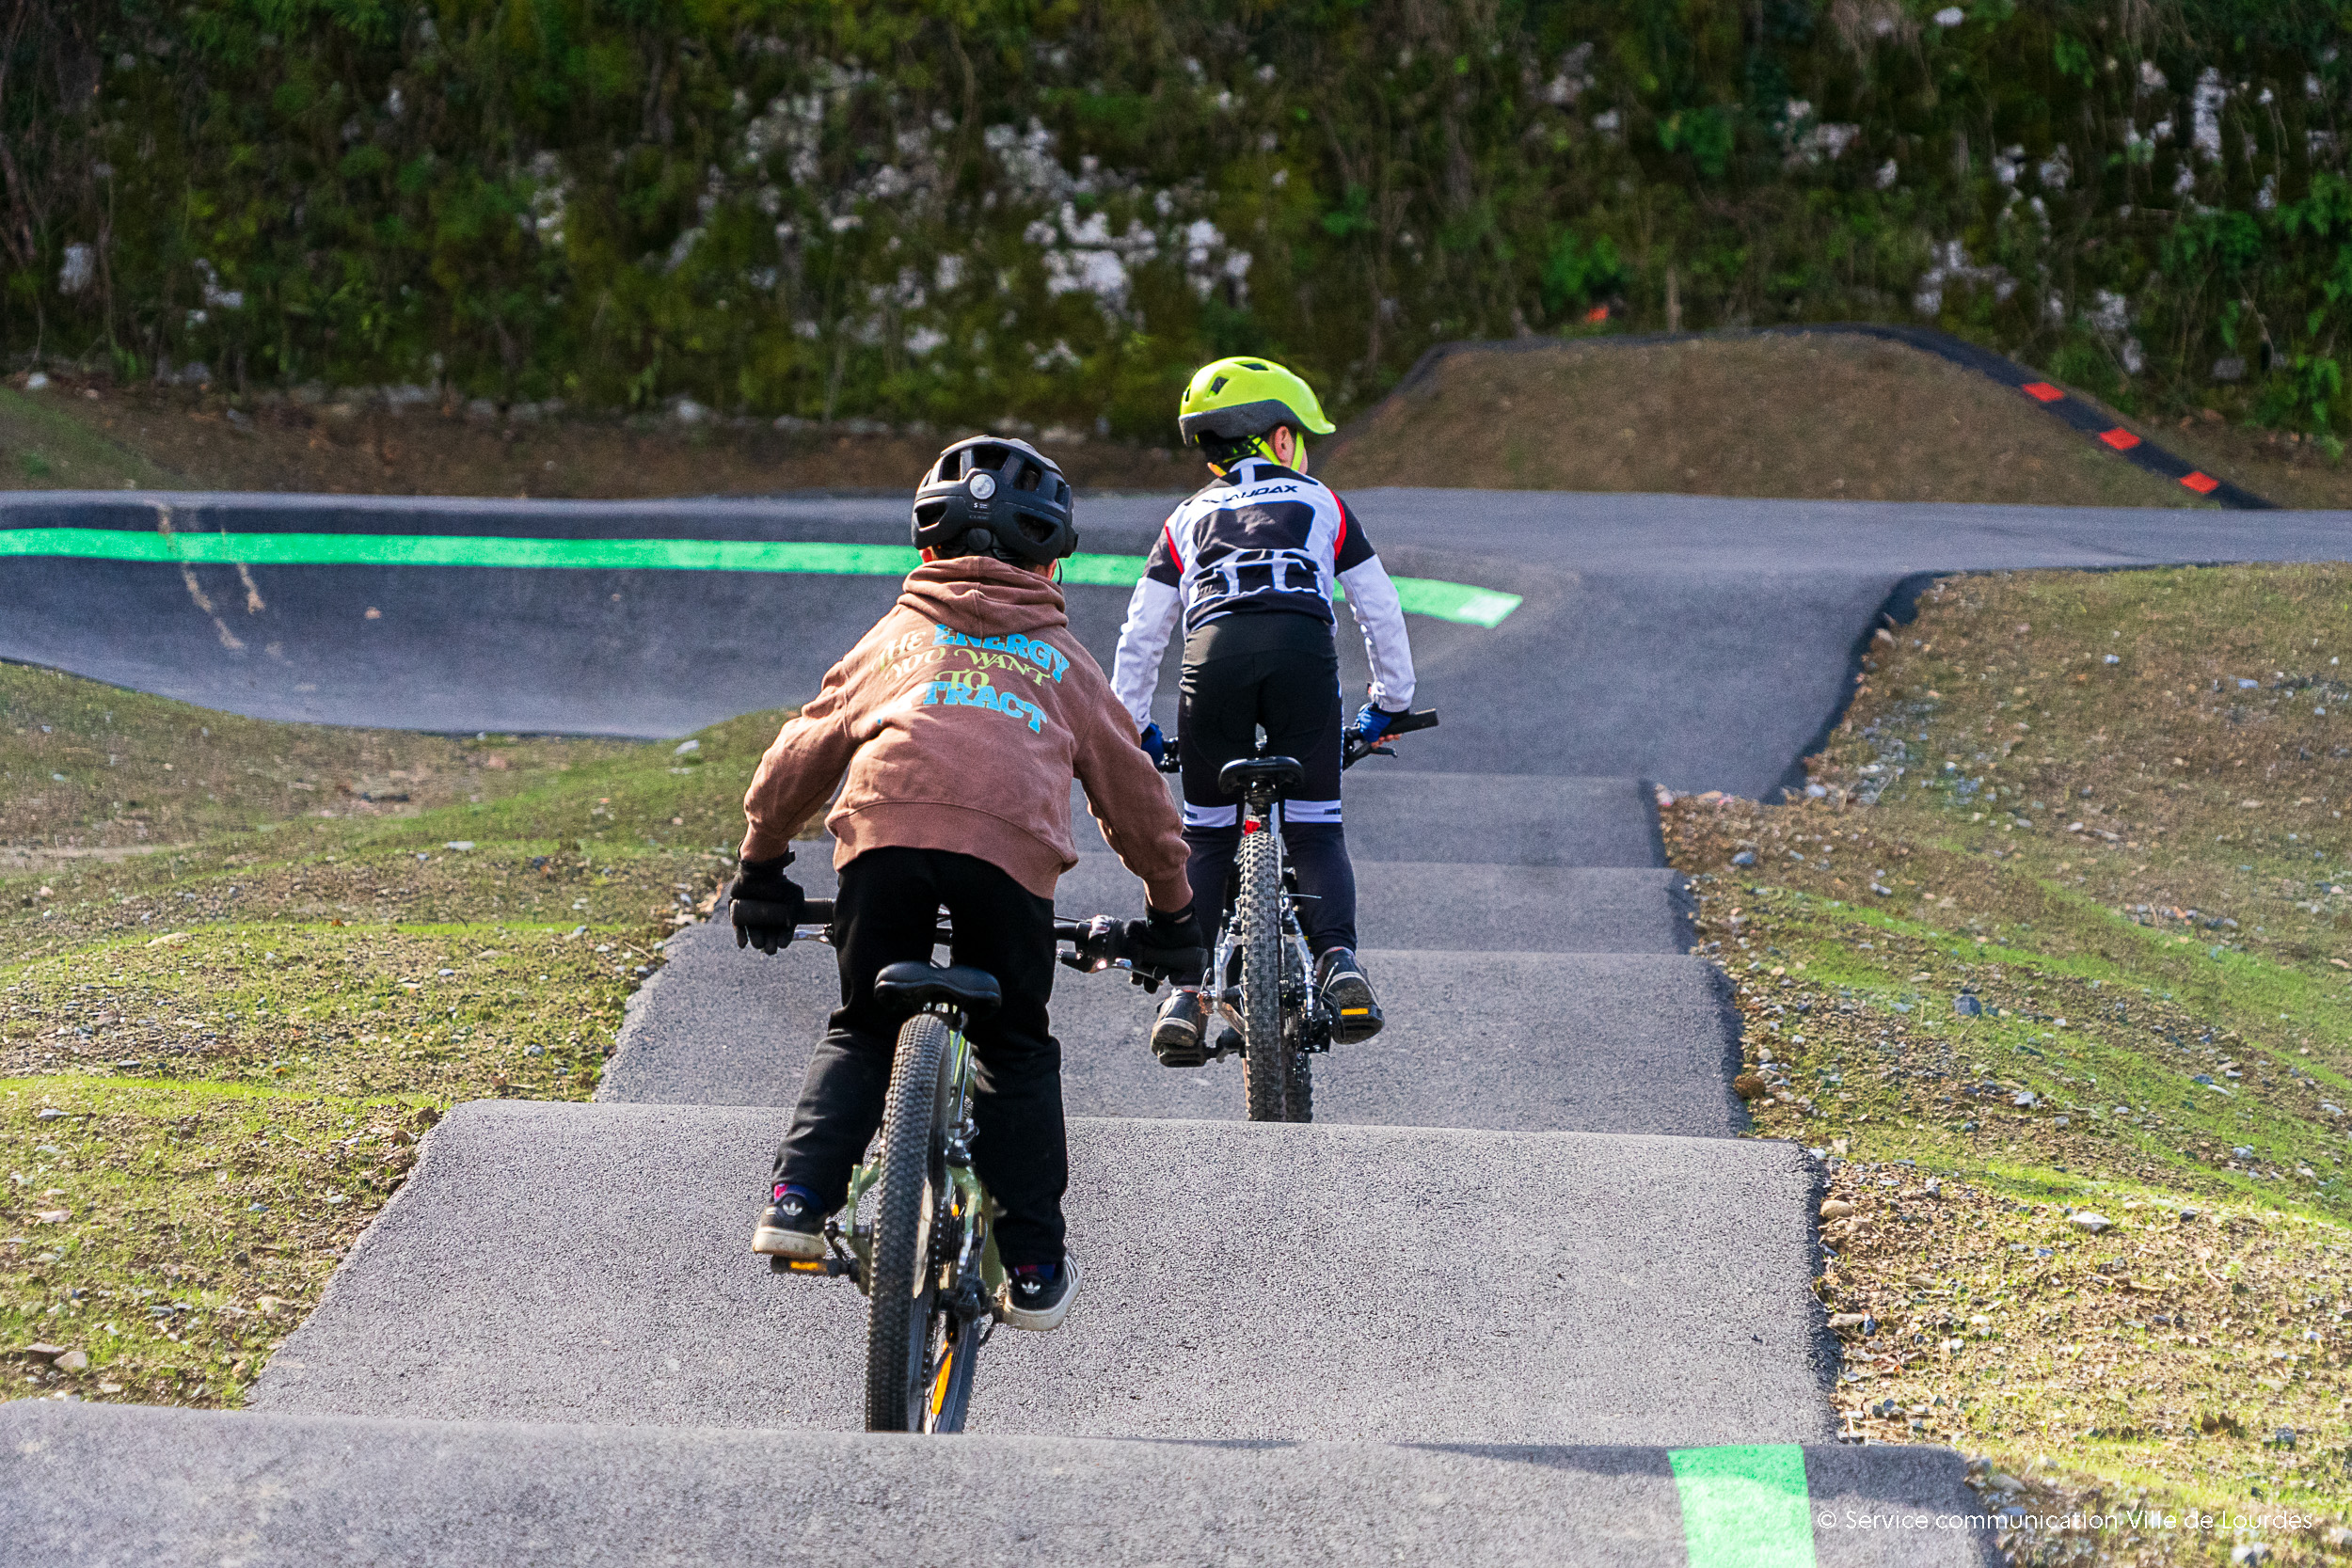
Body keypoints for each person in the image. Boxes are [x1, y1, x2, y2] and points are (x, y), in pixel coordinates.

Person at [728, 434, 1202, 1333]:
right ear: (1052, 563)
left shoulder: (895, 639)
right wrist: (1172, 907)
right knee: (1014, 1045)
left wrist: (761, 862)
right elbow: (1136, 795)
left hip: (884, 833)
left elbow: (803, 749)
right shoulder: (1064, 661)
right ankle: (1033, 1261)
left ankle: (796, 1198)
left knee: (865, 1023)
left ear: (926, 548)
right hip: (1009, 856)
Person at [1109, 356, 1417, 1066]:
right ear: (1280, 438)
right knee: (1316, 826)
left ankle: (1186, 992)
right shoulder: (1322, 502)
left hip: (1211, 664)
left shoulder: (1184, 517)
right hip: (1303, 658)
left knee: (1206, 834)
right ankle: (1338, 961)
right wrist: (1388, 704)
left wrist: (1135, 727)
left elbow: (1142, 633)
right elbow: (1379, 607)